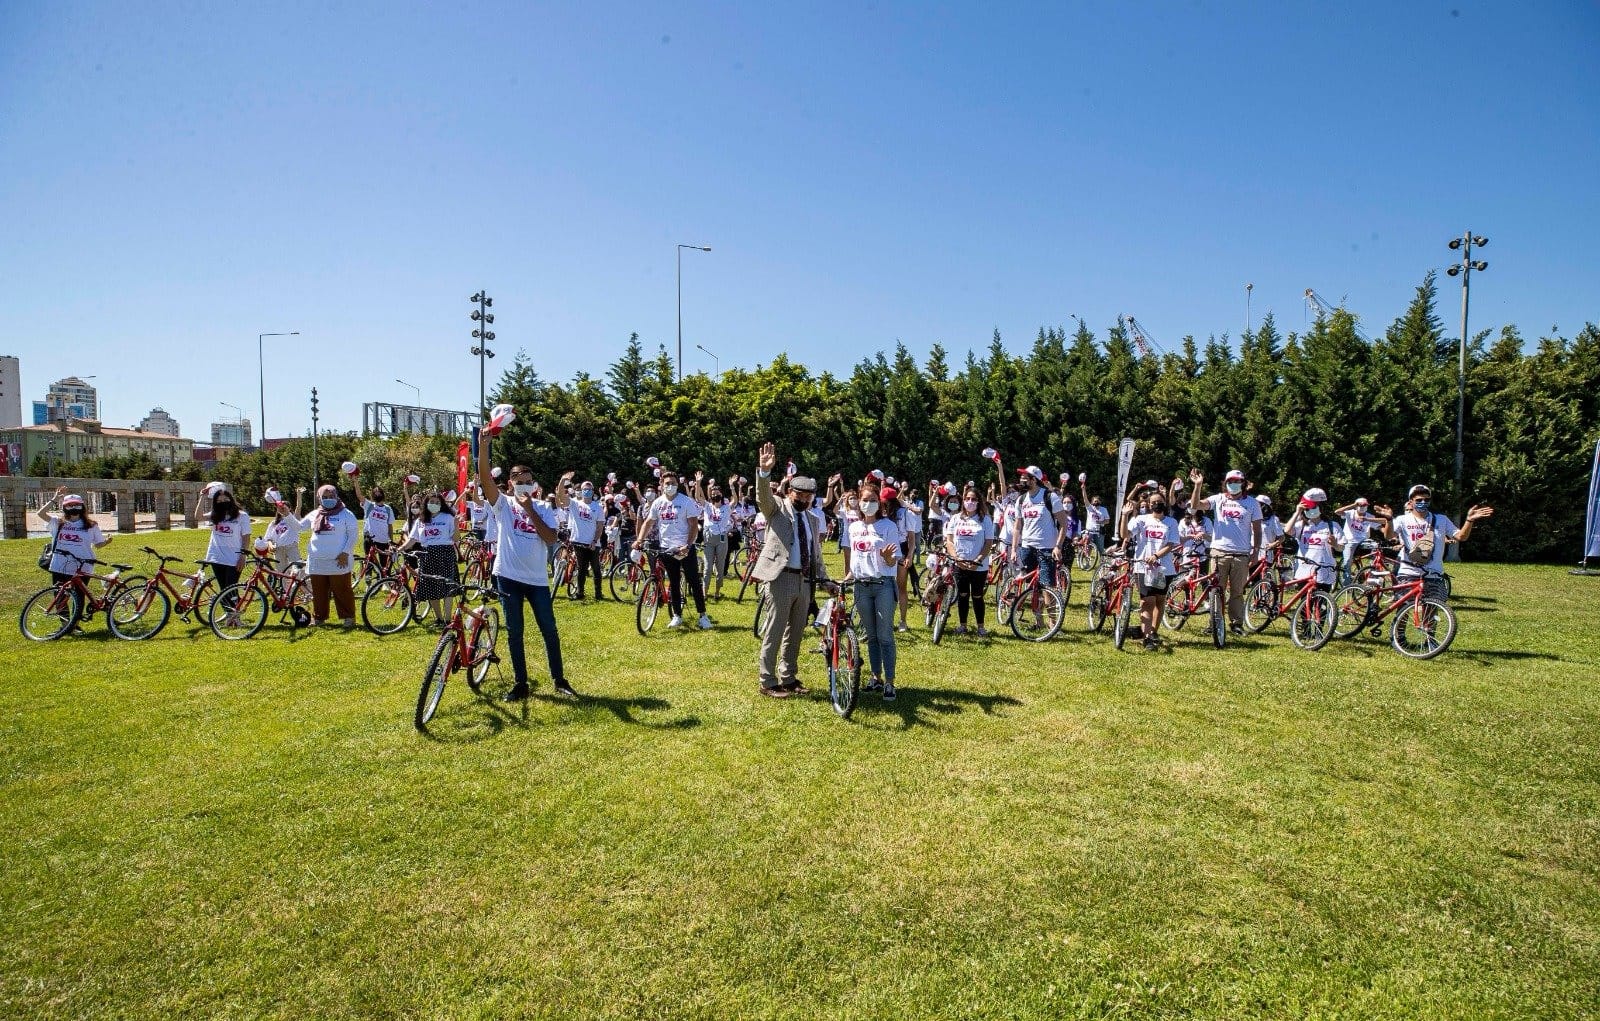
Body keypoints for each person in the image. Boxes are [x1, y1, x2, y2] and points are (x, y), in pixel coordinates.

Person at [478, 438, 576, 700]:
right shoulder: (503, 504)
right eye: (519, 481)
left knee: (549, 629)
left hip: (537, 580)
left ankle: (559, 679)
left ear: (534, 485)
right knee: (515, 631)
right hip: (508, 577)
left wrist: (531, 510)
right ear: (510, 483)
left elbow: (550, 538)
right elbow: (485, 478)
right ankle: (521, 683)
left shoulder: (543, 506)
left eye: (528, 481)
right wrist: (483, 446)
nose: (524, 485)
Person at [751, 442, 833, 698]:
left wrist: (824, 580)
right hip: (780, 577)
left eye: (809, 498)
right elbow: (762, 497)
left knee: (796, 633)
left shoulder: (813, 519)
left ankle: (788, 677)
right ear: (790, 493)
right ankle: (767, 681)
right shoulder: (776, 508)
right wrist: (764, 473)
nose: (805, 501)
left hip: (805, 581)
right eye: (800, 496)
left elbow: (816, 554)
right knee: (775, 631)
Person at [1386, 485, 1494, 600]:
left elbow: (1461, 536)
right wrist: (1389, 520)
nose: (1423, 502)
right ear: (1410, 502)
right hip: (1409, 572)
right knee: (1403, 609)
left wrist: (1469, 520)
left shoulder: (1441, 519)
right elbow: (1389, 536)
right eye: (1419, 500)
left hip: (1434, 573)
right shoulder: (1402, 520)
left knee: (1431, 612)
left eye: (1427, 500)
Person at [1189, 467, 1263, 635]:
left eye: (1237, 481)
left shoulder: (1252, 503)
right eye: (1230, 482)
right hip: (1219, 552)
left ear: (1243, 483)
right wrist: (1198, 486)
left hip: (1241, 554)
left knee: (1237, 591)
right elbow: (1195, 505)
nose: (1234, 484)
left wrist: (1256, 551)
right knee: (1216, 589)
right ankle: (1214, 623)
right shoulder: (1219, 499)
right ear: (1225, 483)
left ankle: (1236, 624)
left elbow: (1258, 530)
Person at [636, 468, 713, 630]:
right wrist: (639, 540)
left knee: (694, 582)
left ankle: (703, 616)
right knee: (674, 582)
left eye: (672, 483)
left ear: (677, 484)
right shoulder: (658, 503)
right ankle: (677, 615)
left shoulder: (686, 501)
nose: (669, 486)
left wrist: (688, 545)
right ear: (662, 485)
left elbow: (694, 526)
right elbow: (648, 523)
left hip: (685, 549)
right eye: (667, 483)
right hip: (667, 549)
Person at [847, 481, 903, 699]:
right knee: (870, 636)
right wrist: (847, 576)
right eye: (864, 500)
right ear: (858, 502)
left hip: (883, 586)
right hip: (861, 586)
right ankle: (875, 677)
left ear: (879, 503)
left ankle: (890, 682)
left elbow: (893, 561)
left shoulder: (888, 526)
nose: (868, 504)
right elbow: (853, 557)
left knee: (885, 635)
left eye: (872, 500)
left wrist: (889, 559)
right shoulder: (853, 527)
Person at [1122, 492, 1181, 649]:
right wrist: (1124, 516)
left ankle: (1153, 631)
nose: (1156, 504)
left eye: (1159, 501)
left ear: (1164, 503)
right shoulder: (1141, 520)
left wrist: (1156, 555)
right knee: (1147, 601)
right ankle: (1147, 637)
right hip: (1143, 567)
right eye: (1153, 502)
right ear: (1149, 505)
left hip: (1164, 568)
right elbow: (1125, 535)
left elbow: (1171, 544)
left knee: (1159, 601)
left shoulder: (1171, 522)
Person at [37, 488, 111, 602]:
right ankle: (66, 620)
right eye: (69, 505)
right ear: (64, 507)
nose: (73, 507)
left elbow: (98, 544)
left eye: (76, 505)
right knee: (59, 598)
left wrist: (106, 541)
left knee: (79, 597)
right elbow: (41, 513)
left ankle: (76, 620)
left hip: (83, 565)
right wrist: (55, 499)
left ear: (82, 506)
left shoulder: (91, 525)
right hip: (60, 564)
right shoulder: (58, 523)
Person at [301, 484, 359, 627]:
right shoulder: (314, 514)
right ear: (319, 498)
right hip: (317, 561)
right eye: (325, 497)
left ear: (337, 496)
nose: (328, 499)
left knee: (342, 591)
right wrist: (286, 514)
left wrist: (346, 552)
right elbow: (299, 527)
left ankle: (349, 617)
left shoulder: (346, 514)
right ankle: (319, 618)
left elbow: (353, 535)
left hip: (339, 560)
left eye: (331, 496)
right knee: (319, 592)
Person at [943, 485, 996, 637]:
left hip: (979, 566)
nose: (970, 502)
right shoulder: (955, 518)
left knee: (977, 596)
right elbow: (950, 541)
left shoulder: (985, 519)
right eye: (967, 499)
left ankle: (981, 627)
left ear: (979, 502)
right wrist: (956, 558)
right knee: (963, 595)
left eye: (973, 499)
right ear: (963, 501)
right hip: (960, 564)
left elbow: (988, 542)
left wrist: (978, 559)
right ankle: (963, 625)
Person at [399, 490, 458, 624]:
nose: (434, 504)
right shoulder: (421, 520)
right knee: (431, 587)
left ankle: (448, 619)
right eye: (432, 502)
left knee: (448, 586)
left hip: (445, 553)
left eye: (437, 502)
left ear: (441, 504)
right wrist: (400, 548)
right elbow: (412, 539)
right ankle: (439, 618)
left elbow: (455, 538)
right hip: (427, 554)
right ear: (426, 503)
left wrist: (455, 525)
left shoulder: (448, 517)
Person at [195, 484, 251, 604]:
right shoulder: (216, 515)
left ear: (231, 499)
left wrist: (243, 556)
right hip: (216, 557)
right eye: (219, 501)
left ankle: (235, 616)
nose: (223, 502)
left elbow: (246, 537)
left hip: (233, 558)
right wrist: (202, 497)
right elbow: (198, 516)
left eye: (226, 499)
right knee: (223, 590)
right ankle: (230, 615)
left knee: (230, 588)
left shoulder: (242, 516)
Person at [1284, 491, 1341, 592]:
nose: (1308, 510)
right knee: (1304, 603)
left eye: (1312, 507)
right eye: (1306, 508)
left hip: (1324, 570)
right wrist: (1297, 512)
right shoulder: (1301, 525)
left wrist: (1335, 545)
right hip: (1304, 569)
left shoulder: (1333, 526)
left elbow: (1342, 547)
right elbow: (1287, 530)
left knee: (1321, 605)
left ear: (1320, 507)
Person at [566, 479, 607, 600]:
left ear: (592, 491)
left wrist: (594, 541)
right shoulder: (575, 503)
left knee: (596, 568)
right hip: (578, 541)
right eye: (584, 489)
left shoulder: (598, 507)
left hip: (593, 543)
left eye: (589, 489)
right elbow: (561, 500)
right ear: (581, 491)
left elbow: (600, 527)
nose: (587, 491)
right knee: (581, 568)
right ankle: (580, 593)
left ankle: (598, 593)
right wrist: (563, 482)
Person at [1333, 496, 1388, 583]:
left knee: (1377, 548)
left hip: (1363, 540)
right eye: (1360, 505)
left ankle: (1370, 571)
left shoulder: (1370, 516)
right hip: (1349, 540)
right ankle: (1346, 585)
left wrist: (1390, 535)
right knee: (1347, 561)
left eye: (1364, 505)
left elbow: (1381, 525)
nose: (1362, 507)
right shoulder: (1350, 513)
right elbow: (1337, 512)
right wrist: (1354, 505)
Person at [353, 476, 397, 575]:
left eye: (379, 492)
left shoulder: (388, 509)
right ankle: (369, 583)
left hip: (383, 539)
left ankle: (385, 581)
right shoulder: (369, 505)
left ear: (383, 494)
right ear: (372, 495)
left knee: (384, 562)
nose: (377, 494)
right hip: (370, 538)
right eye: (375, 493)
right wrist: (355, 481)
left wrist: (391, 540)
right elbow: (359, 496)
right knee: (369, 561)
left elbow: (390, 525)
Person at [700, 482, 736, 600]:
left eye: (717, 493)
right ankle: (704, 592)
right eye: (713, 494)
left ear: (721, 495)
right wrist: (698, 483)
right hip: (709, 539)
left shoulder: (726, 508)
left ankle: (717, 591)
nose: (715, 495)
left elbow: (735, 500)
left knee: (720, 567)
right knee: (708, 567)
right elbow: (697, 497)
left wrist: (731, 486)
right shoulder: (707, 506)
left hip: (722, 539)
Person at [263, 486, 308, 576]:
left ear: (289, 509)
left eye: (285, 506)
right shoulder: (273, 523)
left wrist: (299, 495)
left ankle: (302, 586)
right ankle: (286, 589)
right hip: (278, 549)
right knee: (281, 572)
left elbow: (299, 507)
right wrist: (270, 545)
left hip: (291, 547)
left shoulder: (293, 518)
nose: (282, 508)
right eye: (280, 506)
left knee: (298, 568)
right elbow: (268, 538)